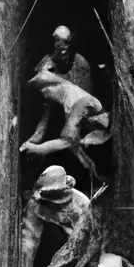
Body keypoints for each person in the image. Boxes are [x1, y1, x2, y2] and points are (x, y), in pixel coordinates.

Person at [19, 27, 110, 173]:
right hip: (79, 115)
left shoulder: (80, 68)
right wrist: (33, 139)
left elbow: (68, 139)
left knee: (70, 142)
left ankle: (93, 177)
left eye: (66, 43)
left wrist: (38, 149)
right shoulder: (51, 73)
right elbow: (46, 115)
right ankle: (94, 177)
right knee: (73, 148)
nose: (63, 50)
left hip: (93, 121)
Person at [21, 165, 90, 267]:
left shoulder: (82, 206)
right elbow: (29, 238)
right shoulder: (36, 204)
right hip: (52, 245)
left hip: (77, 249)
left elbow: (87, 239)